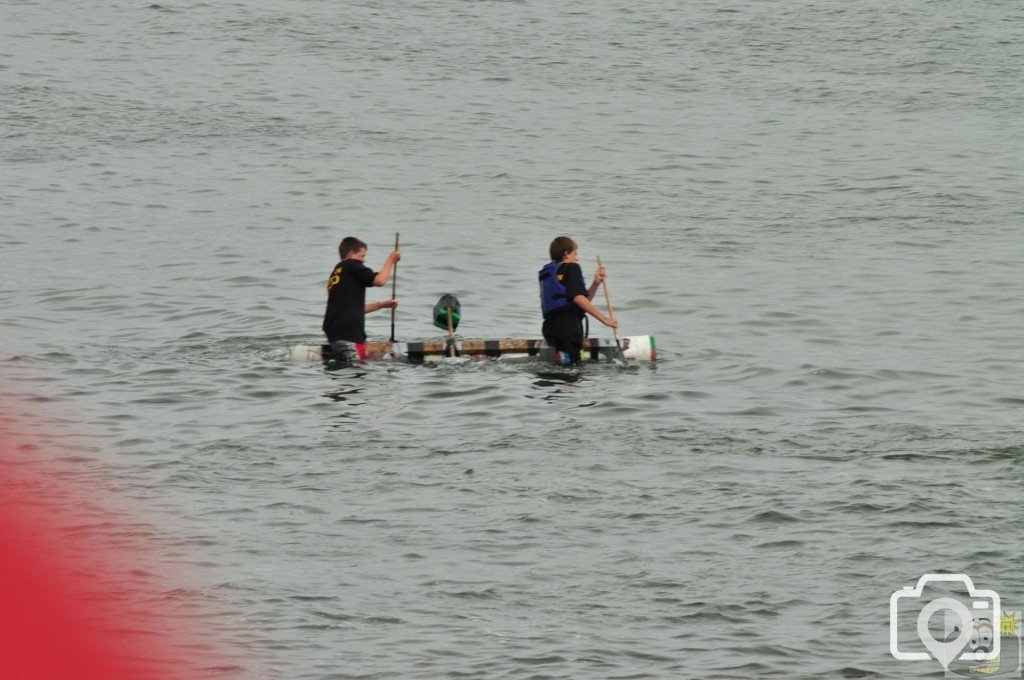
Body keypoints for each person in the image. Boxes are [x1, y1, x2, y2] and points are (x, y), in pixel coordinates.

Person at [539, 236, 617, 364]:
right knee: (572, 375)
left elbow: (581, 301)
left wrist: (596, 282)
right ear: (566, 254)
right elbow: (578, 298)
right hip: (567, 328)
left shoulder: (553, 272)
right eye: (575, 254)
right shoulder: (572, 267)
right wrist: (605, 320)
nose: (577, 258)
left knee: (566, 366)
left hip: (551, 328)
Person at [322, 236, 400, 359]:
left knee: (385, 353)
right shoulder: (352, 265)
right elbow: (380, 281)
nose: (363, 261)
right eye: (362, 256)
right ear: (352, 254)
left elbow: (355, 309)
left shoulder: (336, 273)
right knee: (389, 358)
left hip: (335, 336)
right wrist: (391, 260)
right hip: (349, 338)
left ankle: (335, 351)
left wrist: (384, 304)